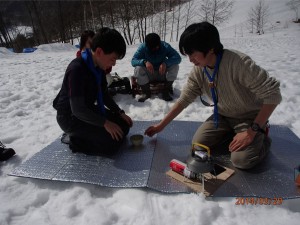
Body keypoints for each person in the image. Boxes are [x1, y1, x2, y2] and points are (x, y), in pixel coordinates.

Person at [145, 22, 282, 170]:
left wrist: (251, 132)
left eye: (193, 53)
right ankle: (232, 133)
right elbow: (184, 99)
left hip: (249, 118)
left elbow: (273, 94)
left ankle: (262, 137)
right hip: (222, 116)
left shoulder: (238, 63)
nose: (190, 59)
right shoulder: (200, 69)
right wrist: (160, 126)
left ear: (210, 48)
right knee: (198, 146)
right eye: (187, 54)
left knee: (242, 161)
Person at [53, 27, 133, 157]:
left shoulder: (98, 68)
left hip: (88, 110)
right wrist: (105, 123)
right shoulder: (77, 69)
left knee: (123, 126)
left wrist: (119, 112)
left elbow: (104, 94)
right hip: (70, 118)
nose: (114, 64)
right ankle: (74, 139)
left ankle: (90, 135)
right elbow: (77, 109)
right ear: (100, 51)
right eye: (112, 59)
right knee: (112, 144)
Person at [131, 33, 182, 102]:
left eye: (156, 47)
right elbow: (133, 61)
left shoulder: (165, 46)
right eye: (151, 48)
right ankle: (146, 93)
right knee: (138, 68)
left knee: (175, 66)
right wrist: (144, 62)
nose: (154, 49)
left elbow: (178, 58)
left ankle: (166, 91)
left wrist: (165, 63)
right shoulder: (142, 47)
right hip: (148, 75)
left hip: (162, 73)